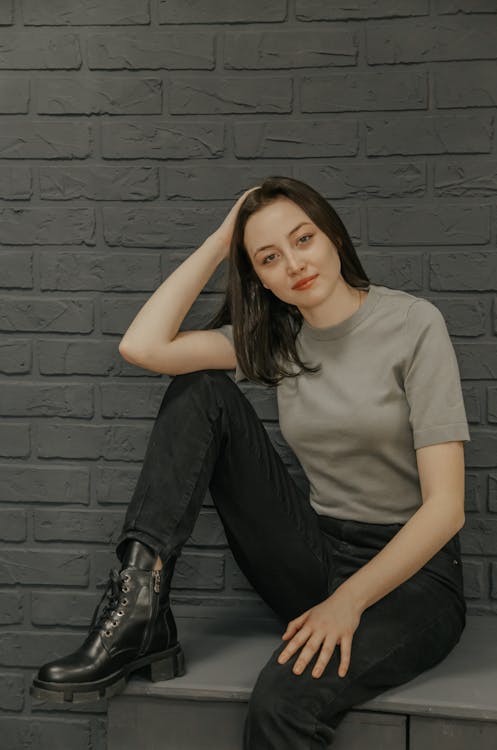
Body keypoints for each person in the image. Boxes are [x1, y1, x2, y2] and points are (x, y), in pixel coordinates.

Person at [30, 176, 470, 749]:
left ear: (332, 234)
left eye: (303, 239)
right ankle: (139, 606)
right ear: (258, 275)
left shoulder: (414, 326)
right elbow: (142, 347)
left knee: (281, 705)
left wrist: (345, 604)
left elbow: (446, 510)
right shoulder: (275, 343)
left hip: (414, 580)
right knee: (200, 391)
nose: (294, 263)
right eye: (269, 257)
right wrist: (221, 240)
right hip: (316, 554)